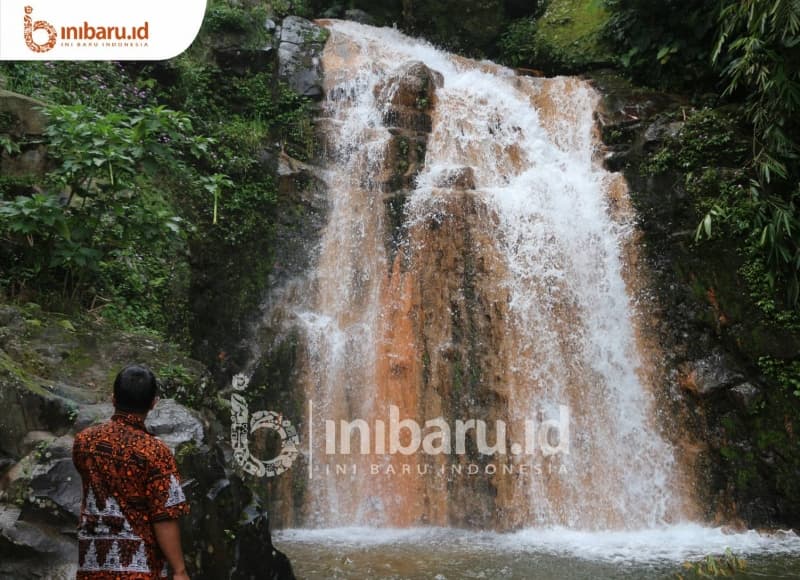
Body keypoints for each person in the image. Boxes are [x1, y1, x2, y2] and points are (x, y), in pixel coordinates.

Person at [72, 364, 191, 580]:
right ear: (153, 403)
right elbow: (164, 515)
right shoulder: (155, 452)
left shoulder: (84, 441)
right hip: (138, 567)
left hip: (92, 563)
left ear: (113, 398)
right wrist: (180, 570)